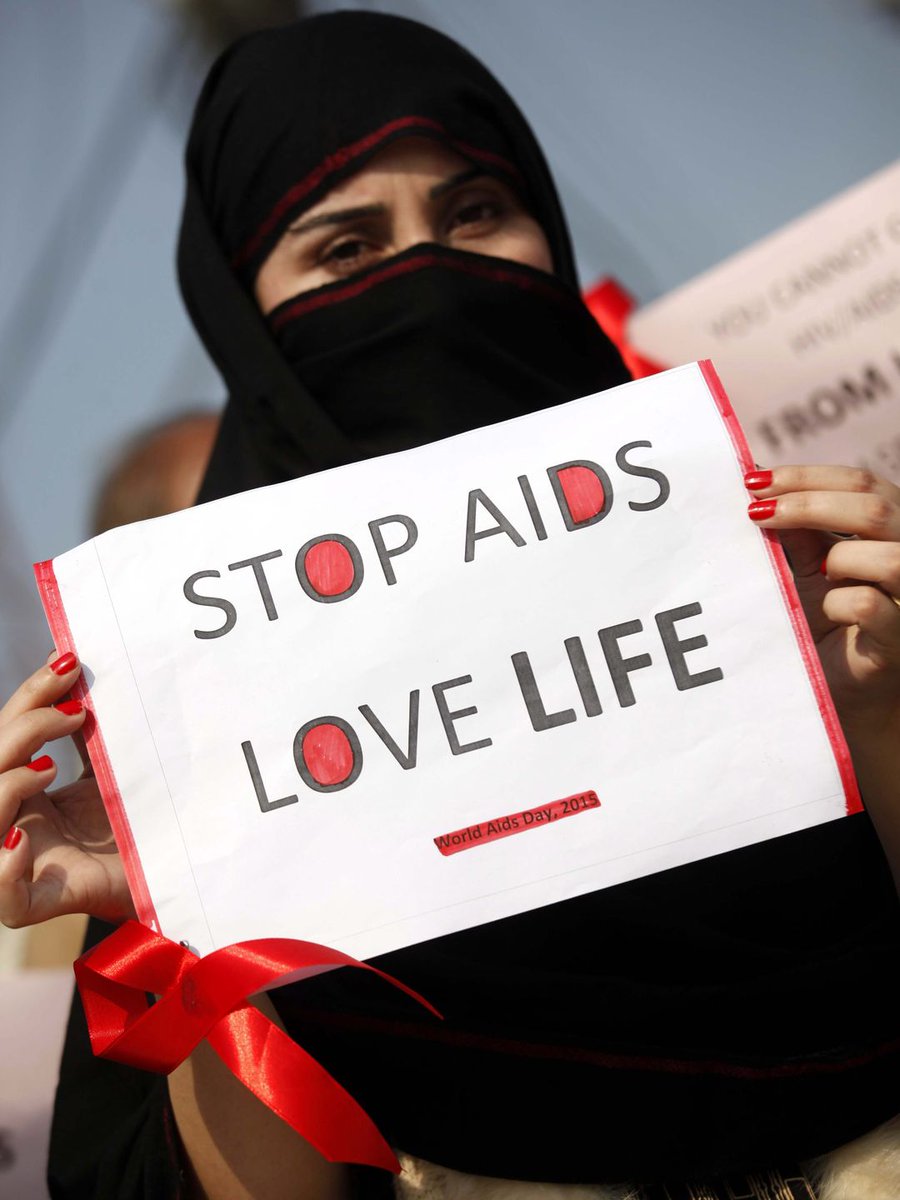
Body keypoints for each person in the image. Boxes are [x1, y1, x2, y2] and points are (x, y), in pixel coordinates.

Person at [0, 12, 898, 1200]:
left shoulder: (799, 612)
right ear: (244, 322)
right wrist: (210, 908)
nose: (429, 278)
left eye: (477, 213)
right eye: (344, 248)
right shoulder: (201, 753)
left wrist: (877, 715)